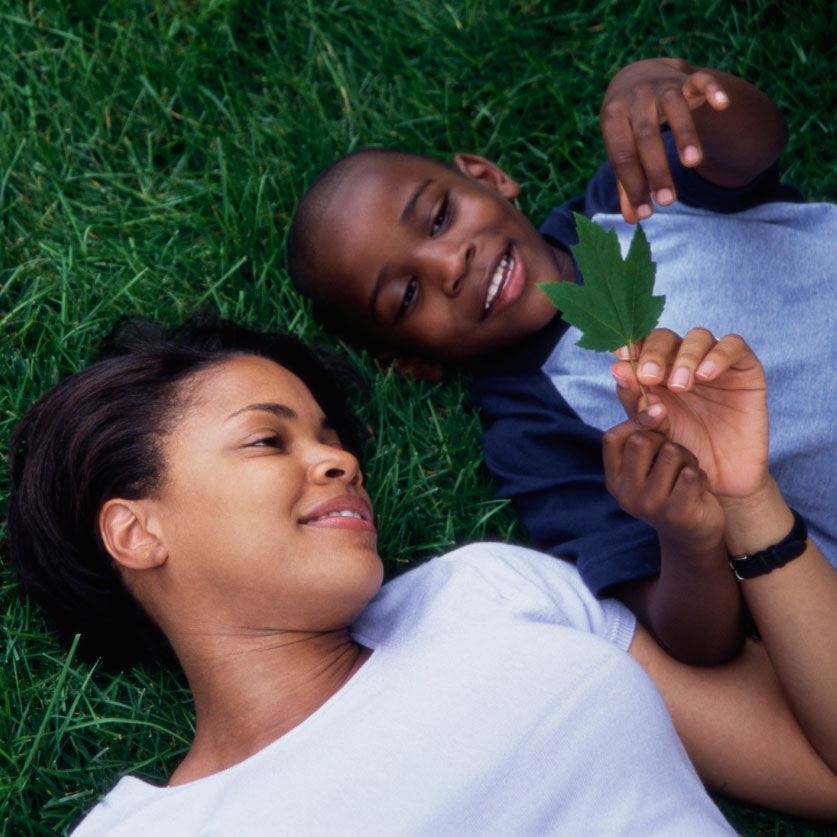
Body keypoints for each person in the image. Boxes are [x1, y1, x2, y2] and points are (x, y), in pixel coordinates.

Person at [6, 316, 837, 834]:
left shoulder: (488, 592)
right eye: (269, 439)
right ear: (136, 530)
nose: (338, 458)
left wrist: (745, 500)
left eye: (333, 436)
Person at [286, 56, 837, 664]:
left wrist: (684, 96)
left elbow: (758, 144)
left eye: (440, 217)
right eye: (407, 295)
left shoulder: (632, 197)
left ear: (487, 176)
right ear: (413, 365)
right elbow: (699, 642)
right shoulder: (531, 435)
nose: (452, 264)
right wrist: (688, 537)